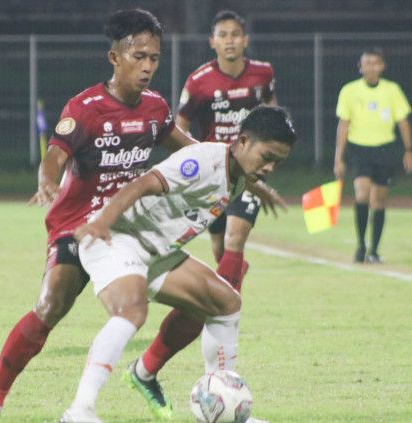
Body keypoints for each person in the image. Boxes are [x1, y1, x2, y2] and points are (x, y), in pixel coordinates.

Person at [0, 9, 281, 423]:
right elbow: (54, 155)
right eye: (139, 57)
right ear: (115, 58)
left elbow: (190, 149)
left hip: (129, 229)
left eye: (154, 57)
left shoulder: (154, 108)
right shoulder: (86, 108)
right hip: (76, 226)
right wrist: (47, 181)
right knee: (50, 308)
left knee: (208, 301)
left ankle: (156, 374)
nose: (149, 66)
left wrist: (249, 176)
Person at [60, 105, 297, 423]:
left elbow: (243, 175)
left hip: (158, 253)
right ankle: (80, 411)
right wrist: (103, 222)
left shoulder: (239, 173)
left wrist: (260, 189)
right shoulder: (202, 161)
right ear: (242, 141)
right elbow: (142, 184)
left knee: (226, 302)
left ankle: (223, 401)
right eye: (266, 157)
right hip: (118, 237)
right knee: (131, 313)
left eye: (277, 163)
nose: (269, 167)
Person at [122, 12, 283, 419]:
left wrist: (260, 173)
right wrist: (194, 163)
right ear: (213, 41)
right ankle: (152, 369)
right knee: (213, 294)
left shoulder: (263, 73)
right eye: (222, 35)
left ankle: (215, 375)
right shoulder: (199, 81)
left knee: (231, 254)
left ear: (245, 39)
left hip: (241, 182)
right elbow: (180, 125)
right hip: (209, 180)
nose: (230, 41)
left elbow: (274, 121)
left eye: (236, 34)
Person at [333, 48, 412, 264]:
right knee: (362, 194)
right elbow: (343, 125)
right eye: (366, 63)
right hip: (359, 149)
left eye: (375, 63)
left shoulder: (392, 90)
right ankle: (361, 245)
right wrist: (338, 158)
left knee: (379, 200)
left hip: (384, 150)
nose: (371, 67)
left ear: (382, 66)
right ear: (360, 67)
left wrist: (409, 150)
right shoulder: (349, 91)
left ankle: (374, 250)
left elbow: (403, 122)